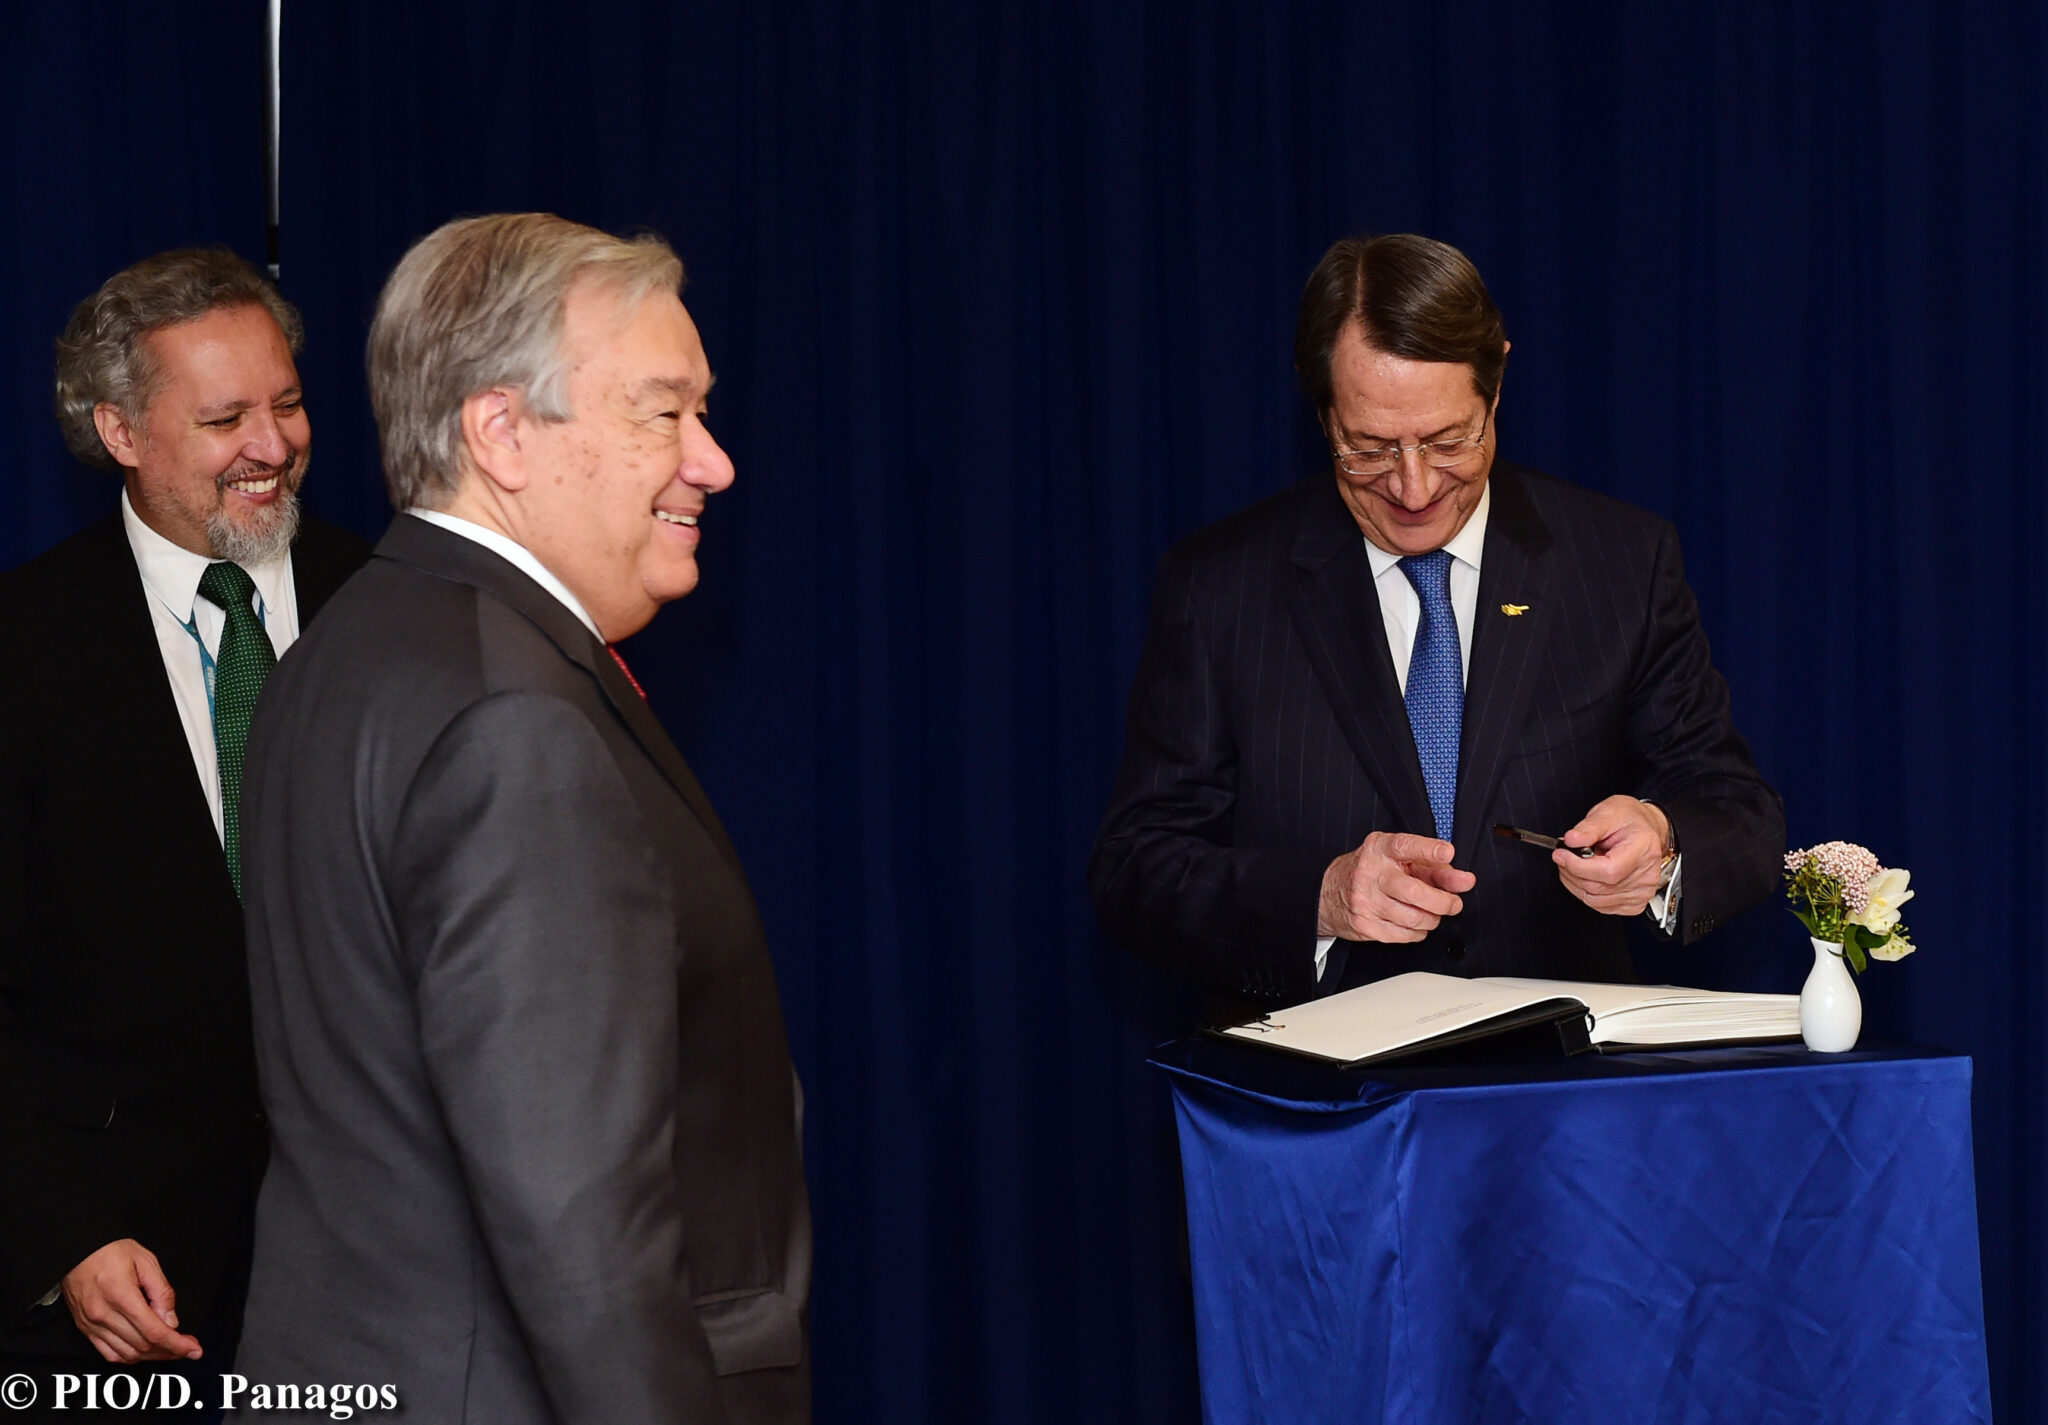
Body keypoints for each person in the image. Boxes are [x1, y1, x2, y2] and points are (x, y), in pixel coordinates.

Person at [232, 213, 810, 1423]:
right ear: (499, 433)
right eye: (662, 413)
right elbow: (579, 1230)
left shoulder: (343, 647)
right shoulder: (515, 717)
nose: (712, 462)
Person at [1090, 233, 1783, 1006]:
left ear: (1497, 387)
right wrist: (1320, 898)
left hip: (1560, 1071)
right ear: (1321, 413)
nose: (1413, 488)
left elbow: (1740, 814)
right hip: (1320, 1073)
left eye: (1449, 440)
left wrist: (1663, 843)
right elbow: (1135, 869)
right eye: (1369, 448)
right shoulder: (1220, 588)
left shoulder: (1620, 563)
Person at [0, 250, 368, 1386]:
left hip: (373, 1264)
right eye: (223, 419)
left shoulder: (395, 611)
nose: (272, 444)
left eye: (287, 403)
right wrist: (64, 1235)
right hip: (114, 1270)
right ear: (118, 431)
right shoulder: (24, 649)